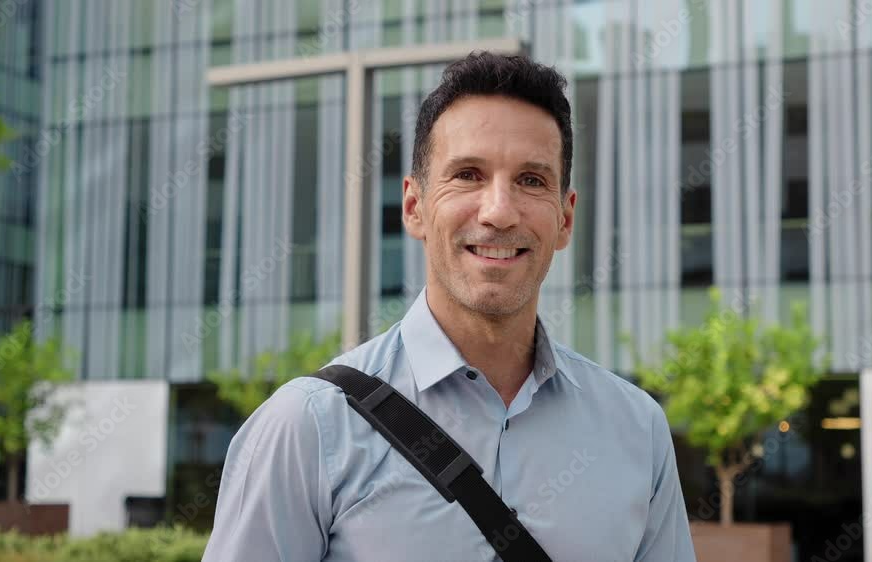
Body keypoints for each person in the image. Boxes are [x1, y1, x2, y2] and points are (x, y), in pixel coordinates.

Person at [203, 51, 696, 561]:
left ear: (566, 219)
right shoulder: (308, 426)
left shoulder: (637, 430)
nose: (499, 211)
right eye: (467, 175)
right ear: (415, 207)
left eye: (531, 180)